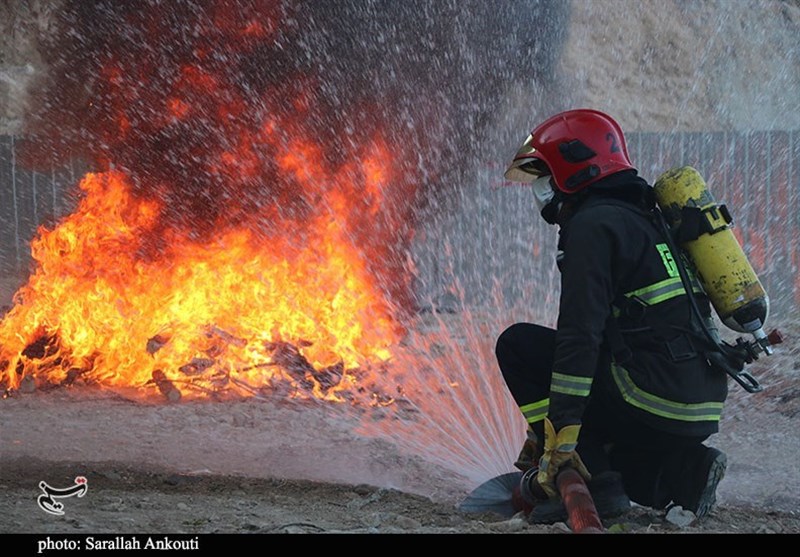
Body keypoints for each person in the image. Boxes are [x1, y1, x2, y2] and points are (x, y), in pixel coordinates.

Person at [496, 108, 732, 524]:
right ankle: (685, 472)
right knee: (621, 438)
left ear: (574, 169)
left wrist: (562, 433)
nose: (541, 190)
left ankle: (594, 482)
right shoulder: (648, 217)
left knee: (519, 346)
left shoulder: (592, 224)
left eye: (544, 176)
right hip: (696, 400)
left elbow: (579, 334)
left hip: (652, 394)